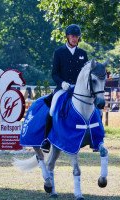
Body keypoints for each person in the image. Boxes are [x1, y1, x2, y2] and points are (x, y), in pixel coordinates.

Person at [41, 24, 88, 152]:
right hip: (63, 88)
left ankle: (94, 136)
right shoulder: (59, 52)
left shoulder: (83, 54)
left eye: (76, 36)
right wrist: (62, 83)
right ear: (67, 37)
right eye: (72, 36)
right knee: (53, 107)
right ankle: (46, 140)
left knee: (92, 106)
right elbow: (54, 73)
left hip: (79, 90)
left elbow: (86, 74)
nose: (74, 39)